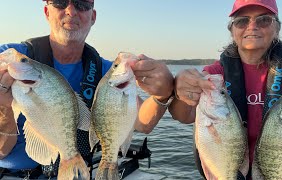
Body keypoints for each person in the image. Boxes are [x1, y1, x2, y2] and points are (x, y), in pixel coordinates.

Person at [0, 0, 174, 179]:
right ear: (46, 12)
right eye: (60, 2)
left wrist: (163, 95)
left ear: (93, 16)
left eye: (82, 4)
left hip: (76, 171)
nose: (71, 11)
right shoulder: (8, 56)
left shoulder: (105, 71)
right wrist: (4, 108)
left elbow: (141, 123)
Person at [169, 0, 282, 179]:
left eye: (264, 20)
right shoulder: (215, 75)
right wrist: (180, 89)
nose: (252, 26)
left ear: (277, 28)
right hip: (232, 169)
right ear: (232, 31)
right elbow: (183, 115)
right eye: (242, 21)